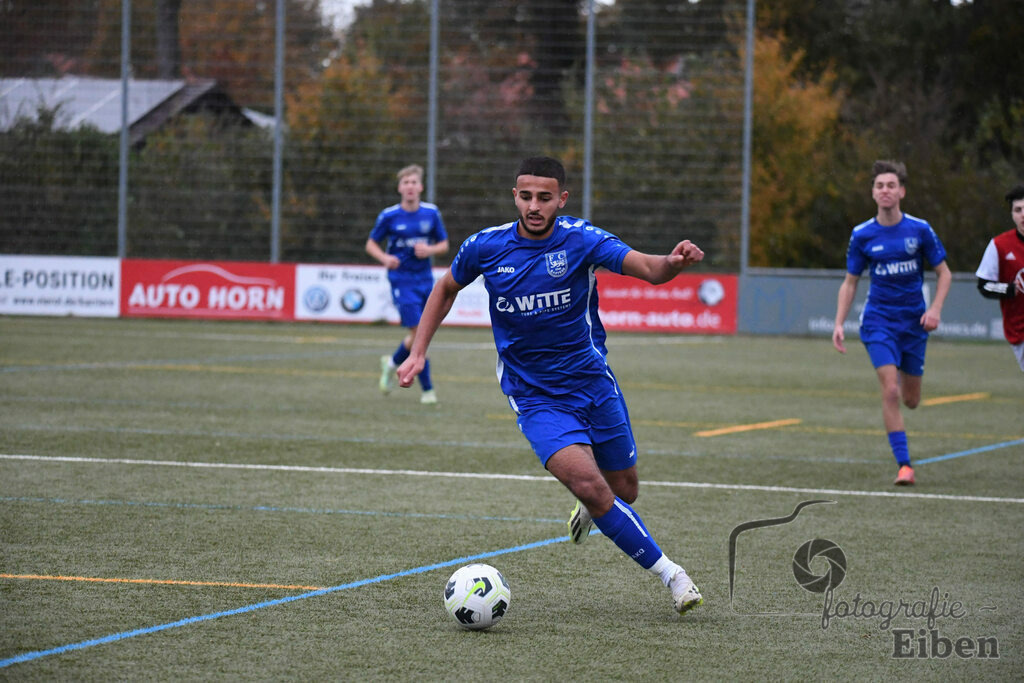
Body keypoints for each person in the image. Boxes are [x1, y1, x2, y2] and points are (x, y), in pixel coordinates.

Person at [396, 156, 705, 614]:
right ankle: (673, 576)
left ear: (561, 198)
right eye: (526, 196)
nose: (534, 206)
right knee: (595, 488)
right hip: (534, 396)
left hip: (592, 383)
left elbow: (648, 267)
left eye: (545, 197)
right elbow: (445, 289)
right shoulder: (486, 247)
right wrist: (419, 350)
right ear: (514, 196)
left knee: (626, 489)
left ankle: (590, 507)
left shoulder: (582, 239)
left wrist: (674, 262)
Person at [832, 160, 951, 486]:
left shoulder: (920, 229)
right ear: (873, 193)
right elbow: (851, 281)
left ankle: (901, 367)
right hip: (878, 323)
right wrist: (839, 322)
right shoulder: (862, 234)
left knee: (911, 400)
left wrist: (935, 309)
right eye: (879, 186)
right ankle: (905, 466)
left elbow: (944, 273)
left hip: (914, 325)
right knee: (890, 390)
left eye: (891, 185)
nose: (885, 190)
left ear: (901, 191)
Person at [365, 164, 449, 404]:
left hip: (425, 279)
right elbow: (371, 244)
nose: (410, 187)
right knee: (419, 331)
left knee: (418, 333)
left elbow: (443, 245)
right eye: (406, 183)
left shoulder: (431, 213)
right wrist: (384, 258)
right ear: (400, 188)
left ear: (420, 187)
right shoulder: (389, 216)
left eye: (414, 182)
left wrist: (429, 249)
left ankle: (391, 363)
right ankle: (428, 390)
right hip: (401, 280)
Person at [975, 184, 1024, 372]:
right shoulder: (1000, 245)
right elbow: (984, 285)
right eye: (1018, 210)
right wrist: (1008, 289)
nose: (1023, 215)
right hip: (1020, 330)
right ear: (1012, 215)